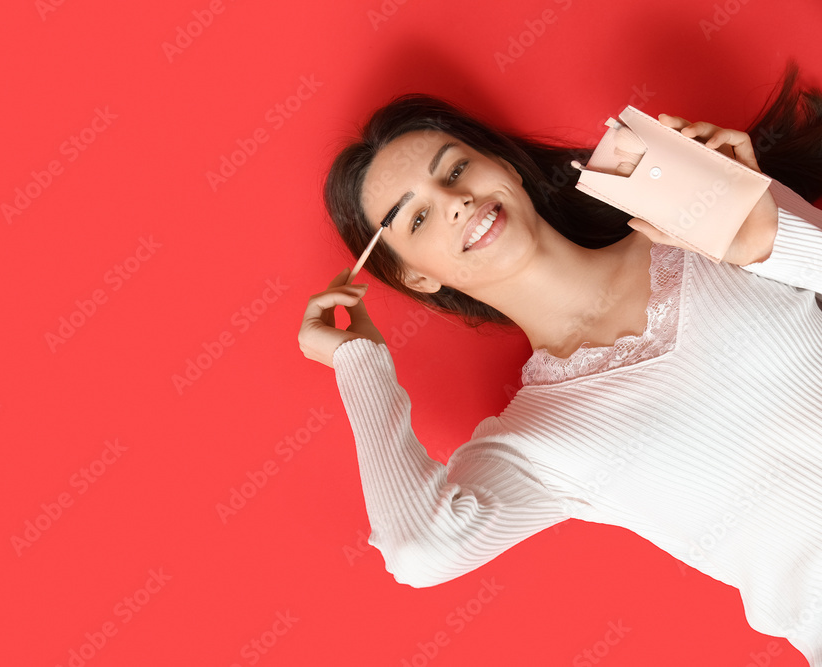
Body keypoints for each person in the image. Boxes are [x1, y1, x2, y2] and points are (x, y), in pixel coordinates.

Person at [299, 61, 822, 664]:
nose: (455, 202)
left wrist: (761, 236)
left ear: (507, 168)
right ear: (416, 276)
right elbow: (419, 551)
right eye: (416, 217)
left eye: (457, 168)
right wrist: (360, 364)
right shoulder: (538, 443)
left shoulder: (698, 223)